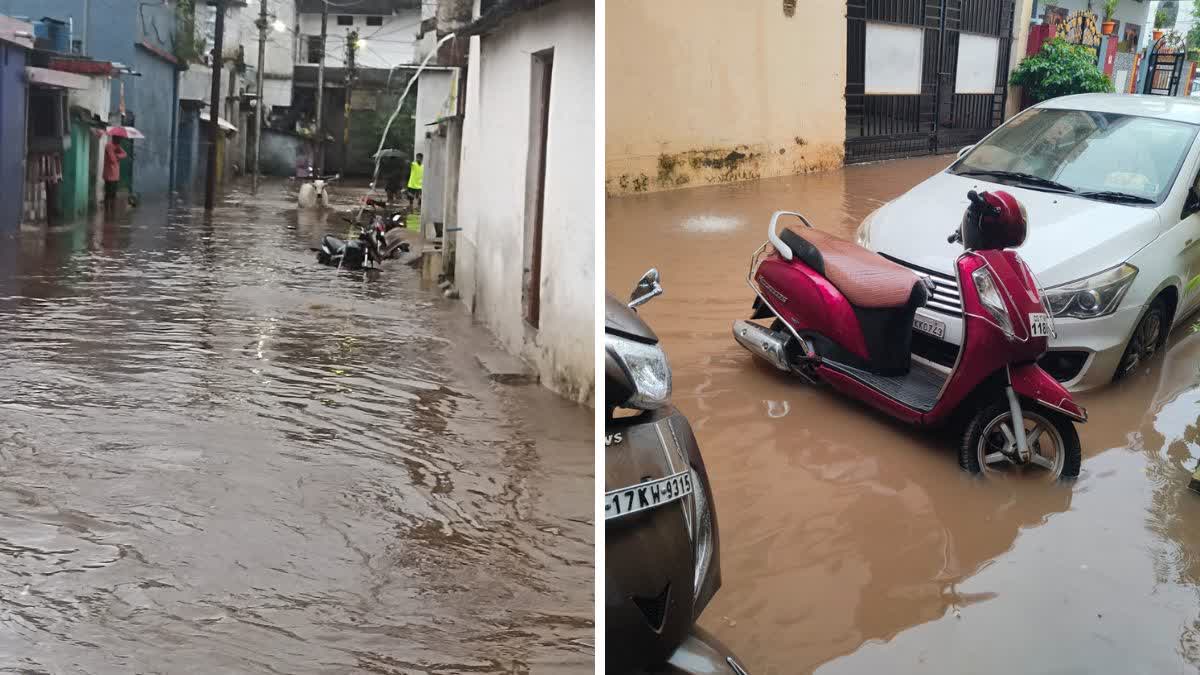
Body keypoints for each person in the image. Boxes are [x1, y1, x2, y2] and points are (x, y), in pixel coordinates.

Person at [103, 139, 127, 212]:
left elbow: (125, 154)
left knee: (113, 194)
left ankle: (112, 210)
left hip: (115, 175)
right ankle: (107, 211)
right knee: (108, 193)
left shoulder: (117, 146)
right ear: (114, 137)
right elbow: (112, 159)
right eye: (118, 138)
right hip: (109, 174)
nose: (120, 140)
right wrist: (117, 154)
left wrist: (118, 150)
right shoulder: (109, 146)